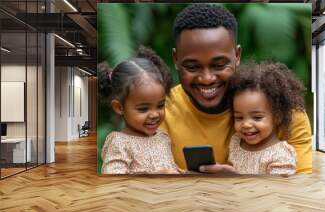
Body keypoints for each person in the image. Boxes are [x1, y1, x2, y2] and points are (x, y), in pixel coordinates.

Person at [161, 3, 312, 173]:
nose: (207, 79)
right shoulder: (159, 111)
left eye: (219, 65)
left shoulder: (282, 107)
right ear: (175, 59)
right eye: (192, 67)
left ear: (237, 55)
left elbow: (302, 189)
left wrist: (238, 185)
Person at [211, 61, 305, 175]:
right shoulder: (236, 142)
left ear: (277, 117)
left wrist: (236, 177)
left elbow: (279, 189)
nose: (246, 124)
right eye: (239, 117)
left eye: (257, 117)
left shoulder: (281, 155)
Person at [99, 46, 180, 174]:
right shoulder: (119, 143)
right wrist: (157, 177)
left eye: (160, 105)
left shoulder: (163, 137)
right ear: (119, 108)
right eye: (143, 109)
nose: (154, 114)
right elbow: (114, 182)